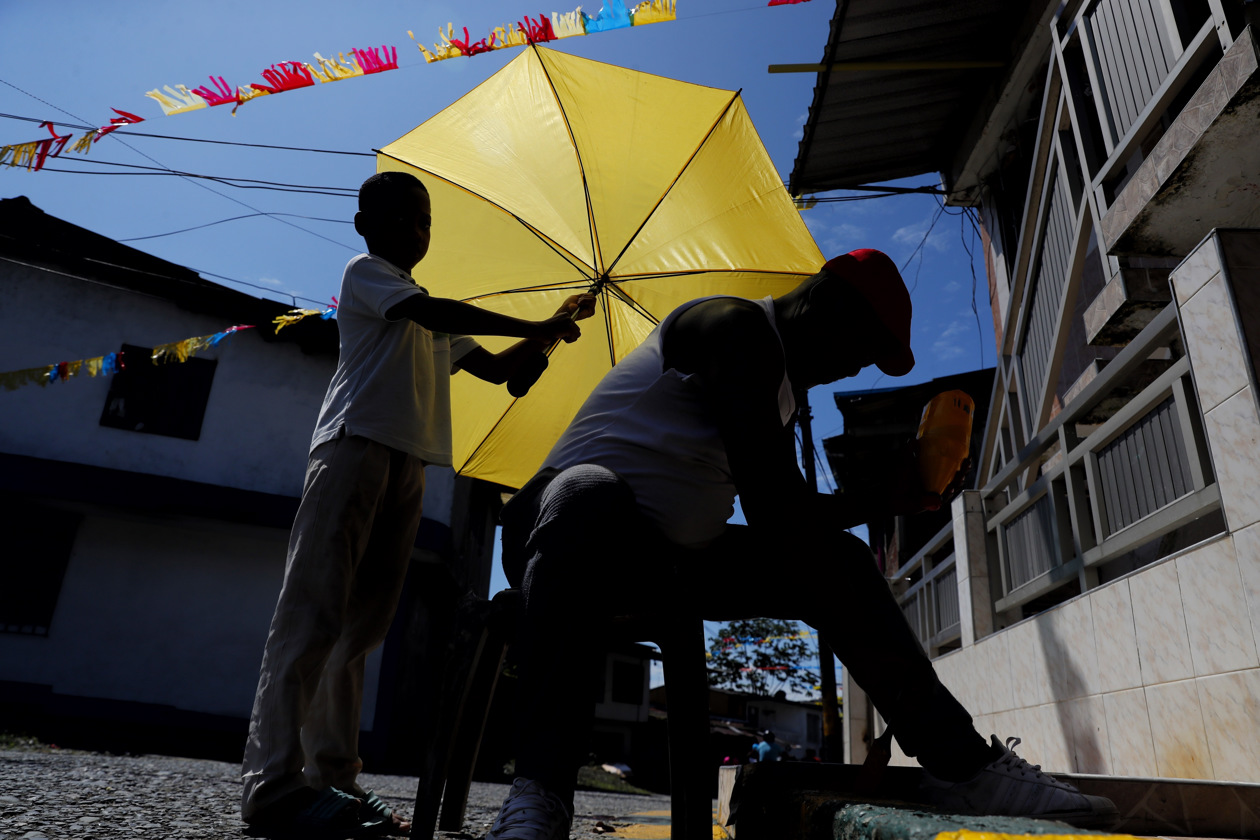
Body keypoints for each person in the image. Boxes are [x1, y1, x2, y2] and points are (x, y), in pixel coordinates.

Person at [485, 249, 1118, 840]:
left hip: (668, 562)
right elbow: (773, 507)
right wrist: (880, 498)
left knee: (838, 558)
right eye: (860, 349)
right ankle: (540, 791)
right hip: (561, 536)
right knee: (589, 491)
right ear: (822, 304)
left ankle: (964, 765)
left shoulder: (778, 393)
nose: (855, 368)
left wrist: (887, 499)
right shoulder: (733, 327)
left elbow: (786, 517)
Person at [240, 170, 595, 839]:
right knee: (312, 617)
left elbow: (502, 372)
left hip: (409, 464)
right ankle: (273, 787)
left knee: (361, 631)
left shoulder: (430, 313)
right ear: (364, 224)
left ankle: (333, 780)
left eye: (424, 220)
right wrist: (532, 319)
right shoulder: (369, 275)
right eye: (400, 217)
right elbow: (432, 314)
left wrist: (555, 330)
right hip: (352, 448)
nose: (414, 230)